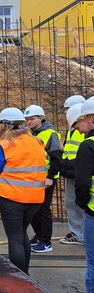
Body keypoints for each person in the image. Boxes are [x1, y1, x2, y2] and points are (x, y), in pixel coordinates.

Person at [0, 107, 46, 274]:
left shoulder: (3, 145)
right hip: (35, 198)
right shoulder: (37, 142)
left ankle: (19, 280)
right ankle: (25, 275)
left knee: (15, 238)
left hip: (12, 198)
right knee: (22, 234)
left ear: (5, 125)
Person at [24, 104, 62, 253]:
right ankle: (39, 236)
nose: (29, 122)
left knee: (43, 210)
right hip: (35, 177)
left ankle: (46, 242)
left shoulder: (49, 134)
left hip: (46, 178)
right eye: (27, 119)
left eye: (32, 119)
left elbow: (56, 158)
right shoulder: (32, 134)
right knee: (34, 208)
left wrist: (50, 177)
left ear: (41, 118)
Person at [73, 98, 94, 292]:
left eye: (82, 120)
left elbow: (82, 182)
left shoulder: (88, 145)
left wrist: (83, 203)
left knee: (93, 264)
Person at [60, 95, 86, 246]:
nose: (66, 113)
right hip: (70, 171)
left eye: (68, 110)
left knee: (81, 203)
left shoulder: (83, 130)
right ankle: (77, 232)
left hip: (79, 171)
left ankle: (81, 233)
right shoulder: (72, 129)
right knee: (71, 202)